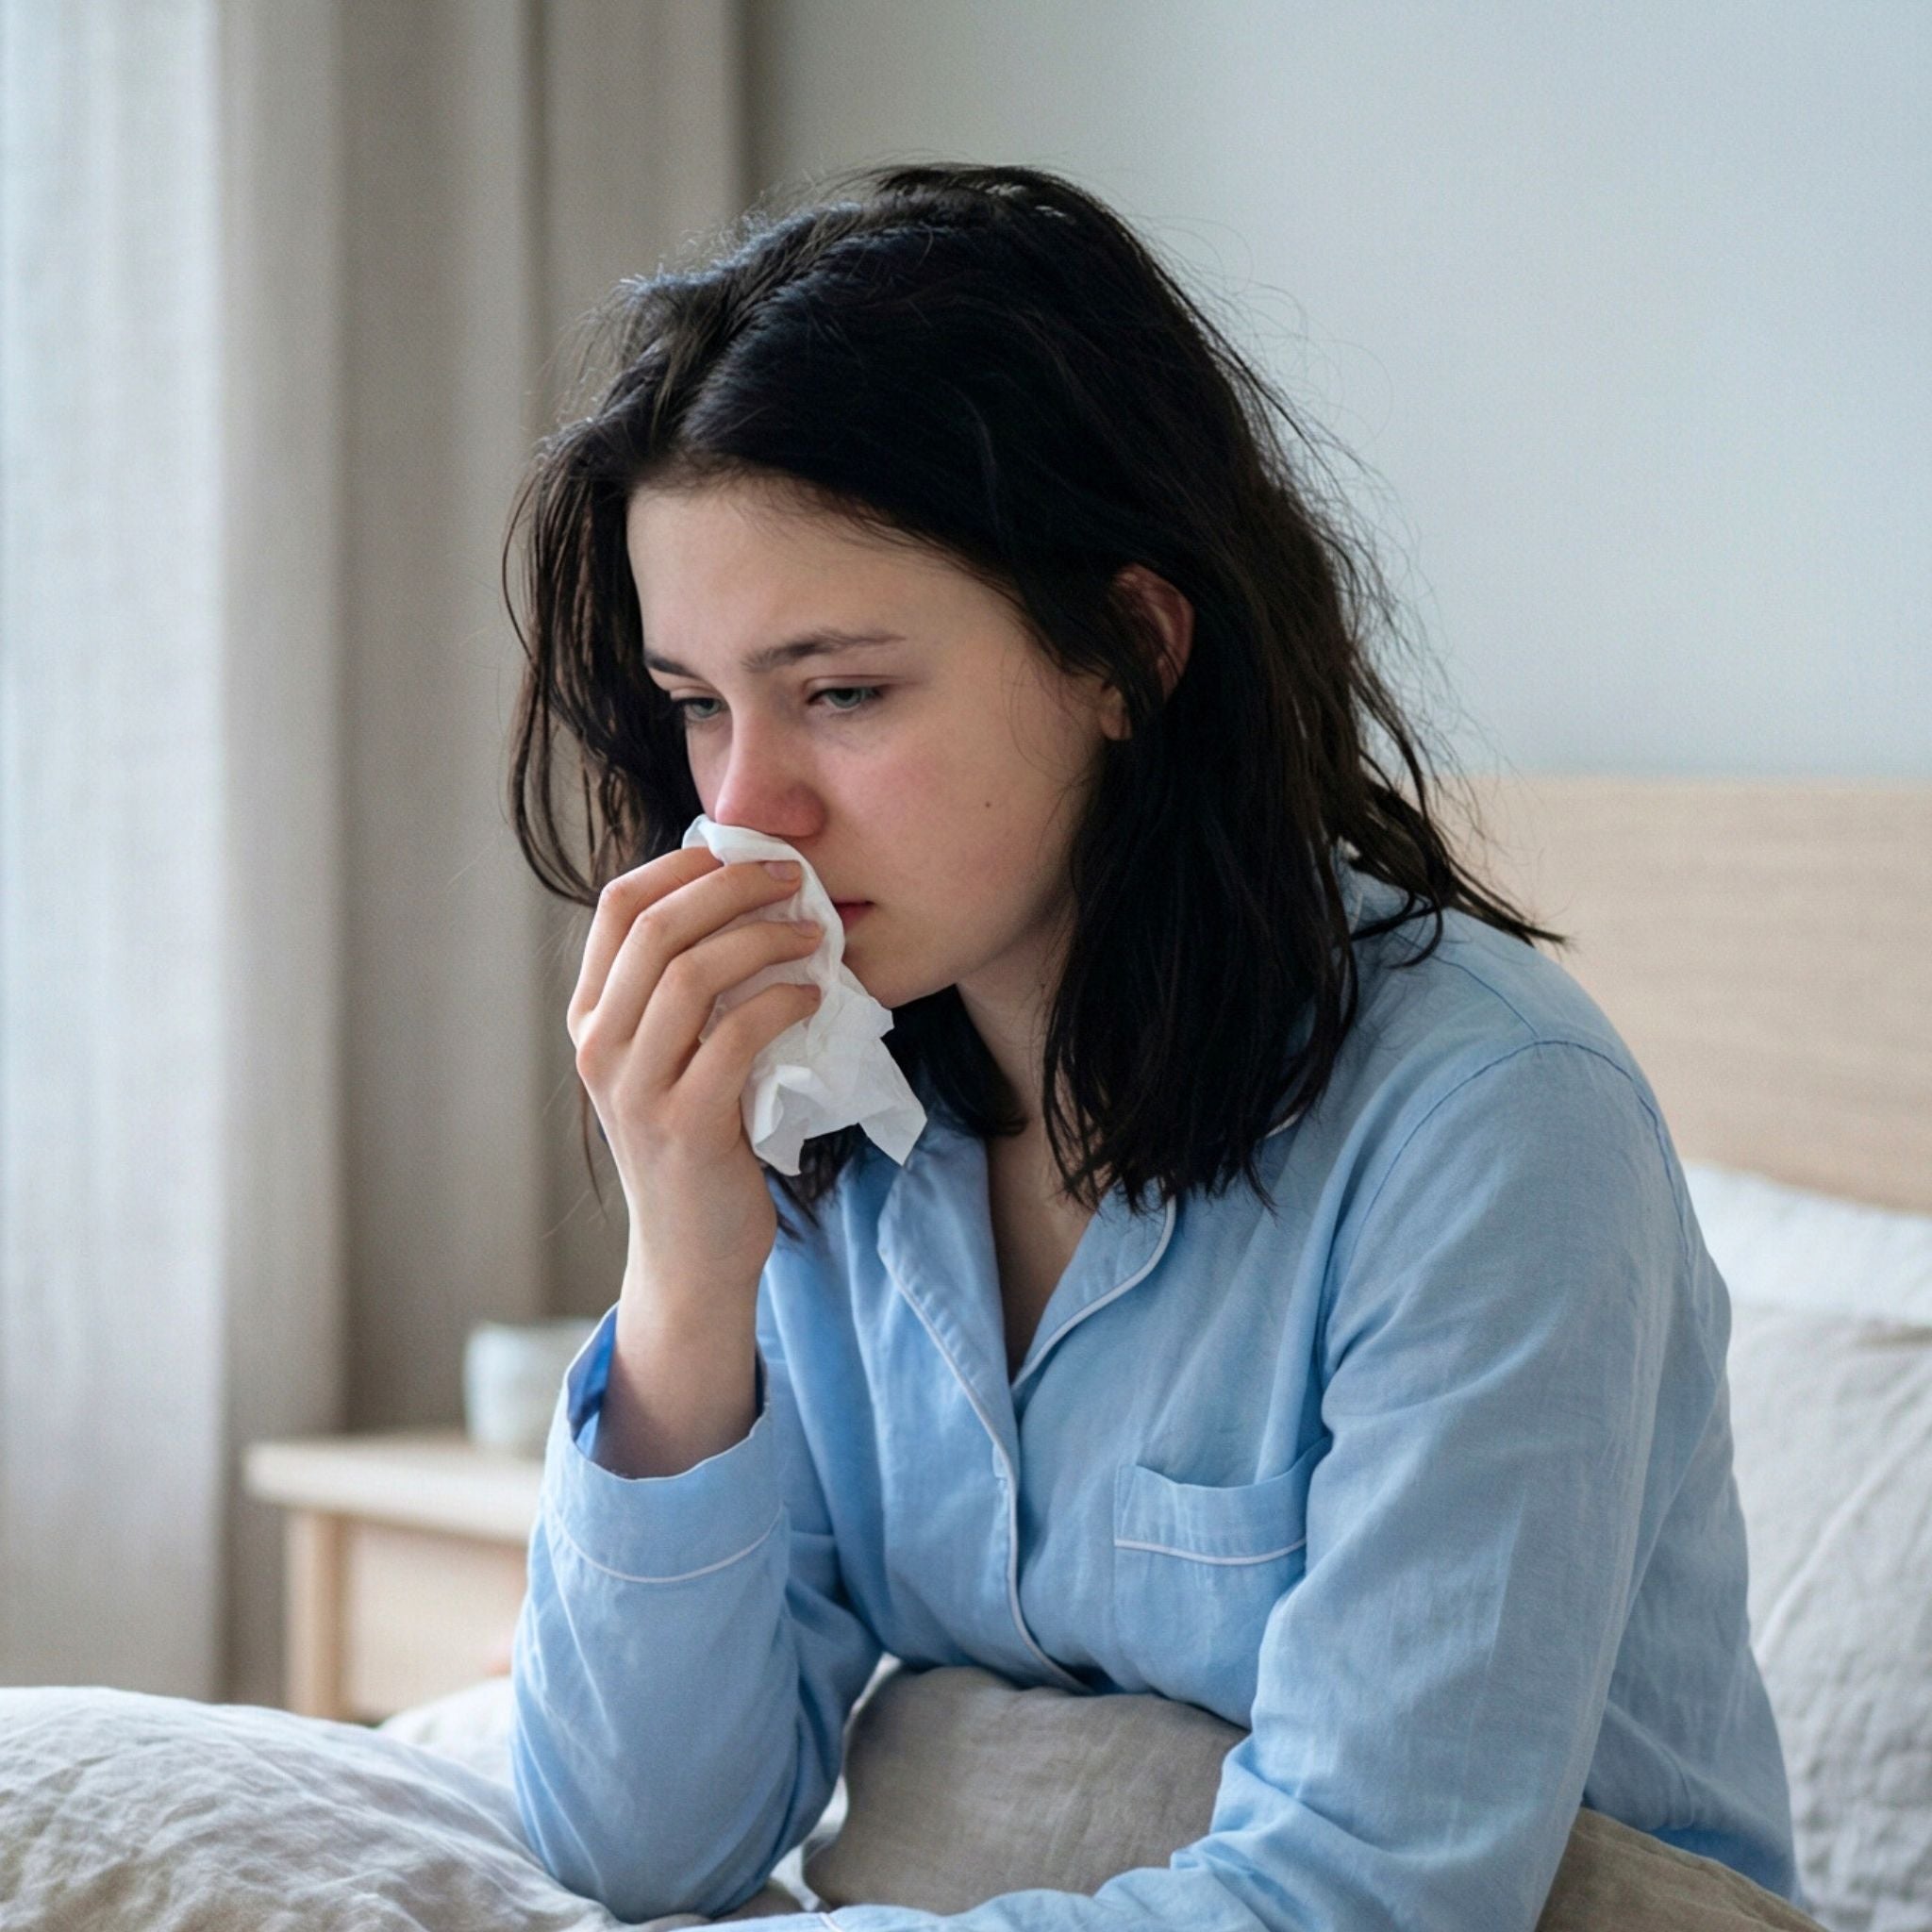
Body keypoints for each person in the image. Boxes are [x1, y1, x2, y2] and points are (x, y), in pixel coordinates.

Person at [499, 162, 1805, 1929]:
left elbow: (1365, 1898)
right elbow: (637, 1846)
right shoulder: (840, 1107)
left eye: (842, 693)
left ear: (1125, 646)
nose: (747, 811)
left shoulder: (1495, 1127)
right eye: (699, 707)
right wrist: (682, 1272)